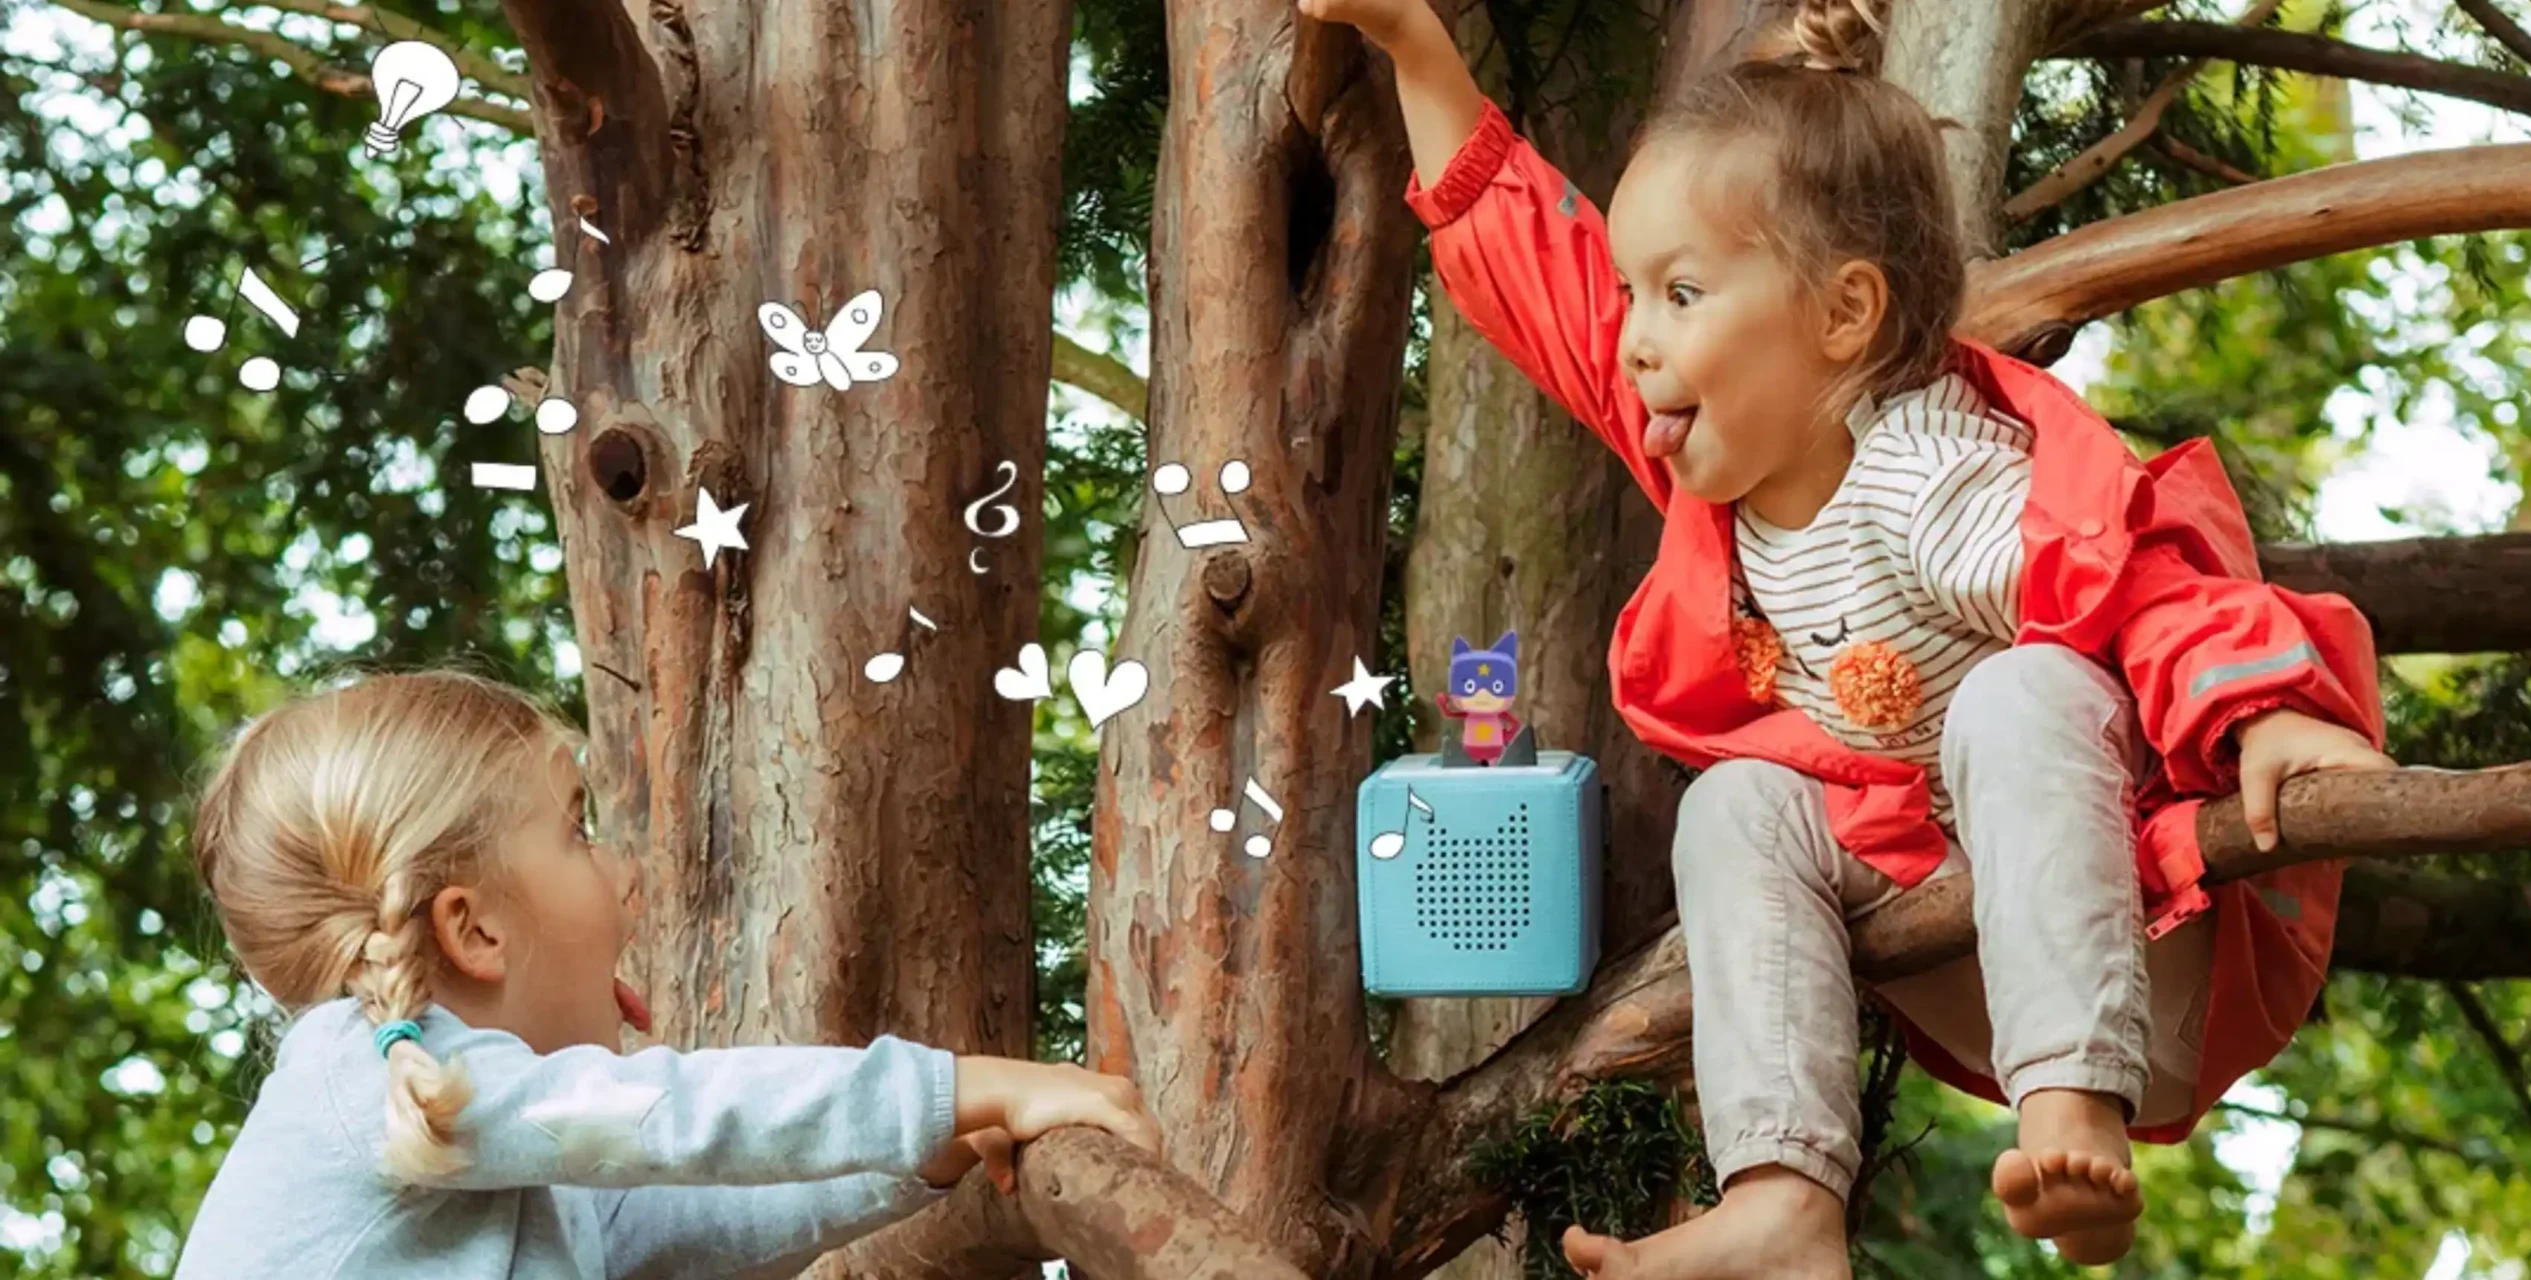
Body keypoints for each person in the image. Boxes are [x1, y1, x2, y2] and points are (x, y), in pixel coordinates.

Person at [1300, 0, 2395, 1275]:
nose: (1636, 334)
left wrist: (2268, 709)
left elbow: (2146, 582)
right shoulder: (1740, 475)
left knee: (2021, 689)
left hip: (2137, 962)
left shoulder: (1930, 479)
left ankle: (2070, 1114)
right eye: (1633, 292)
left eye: (1681, 291)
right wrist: (1416, 52)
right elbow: (1535, 277)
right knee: (1742, 800)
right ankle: (1782, 1195)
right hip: (1966, 949)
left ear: (1842, 315)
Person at [174, 670, 1160, 1278]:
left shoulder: (493, 1152)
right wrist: (957, 1082)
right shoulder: (354, 1072)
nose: (622, 866)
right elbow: (669, 1112)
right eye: (577, 829)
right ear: (472, 928)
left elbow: (673, 1228)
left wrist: (917, 1150)